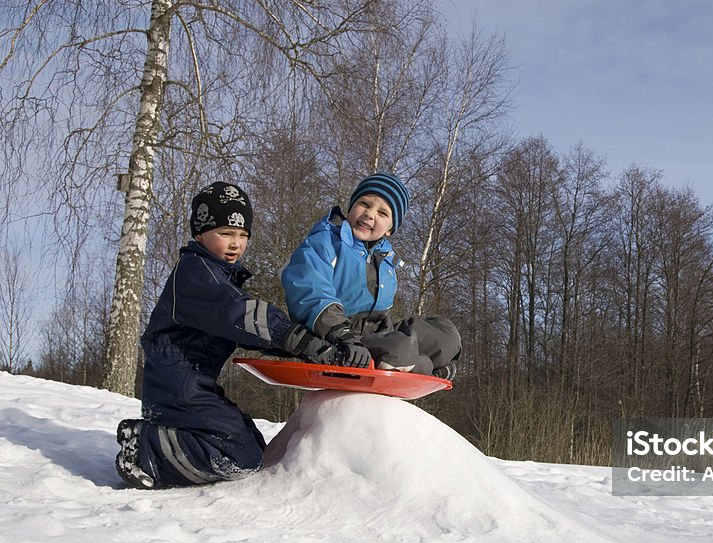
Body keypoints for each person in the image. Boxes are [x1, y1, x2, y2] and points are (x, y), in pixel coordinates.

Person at [115, 181, 350, 489]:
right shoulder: (196, 275)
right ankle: (146, 450)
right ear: (200, 234)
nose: (236, 243)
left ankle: (162, 440)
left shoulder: (215, 275)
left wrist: (305, 347)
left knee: (252, 442)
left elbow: (249, 329)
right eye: (225, 233)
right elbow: (240, 313)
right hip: (177, 388)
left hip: (194, 387)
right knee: (241, 456)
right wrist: (298, 339)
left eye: (243, 235)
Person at [281, 172, 461, 377]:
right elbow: (309, 288)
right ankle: (429, 370)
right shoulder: (326, 241)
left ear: (389, 230)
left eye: (382, 213)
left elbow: (382, 317)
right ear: (350, 208)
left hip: (373, 336)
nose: (370, 214)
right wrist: (341, 333)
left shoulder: (386, 260)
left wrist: (392, 332)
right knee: (400, 350)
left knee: (445, 333)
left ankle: (421, 362)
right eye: (365, 204)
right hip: (333, 336)